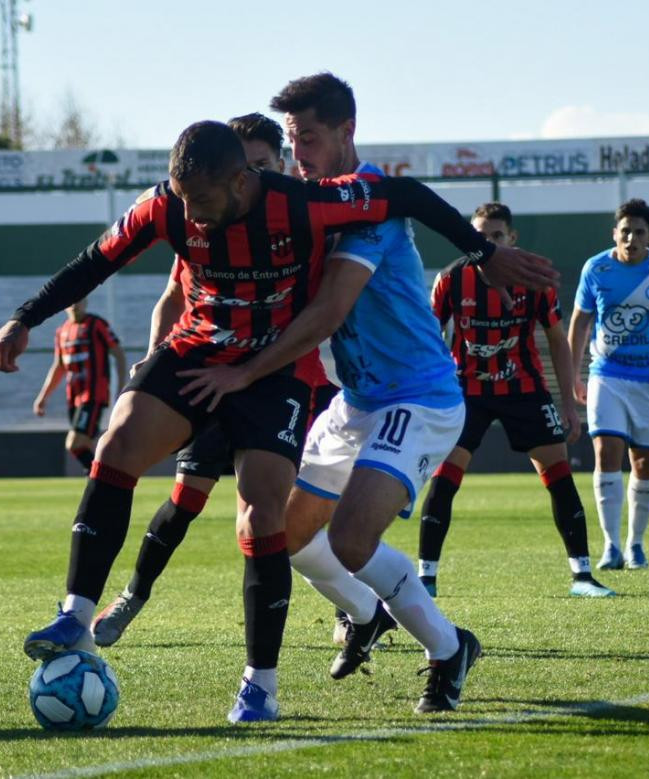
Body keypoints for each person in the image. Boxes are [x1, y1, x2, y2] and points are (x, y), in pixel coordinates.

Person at [0, 118, 555, 724]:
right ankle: (76, 615)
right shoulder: (165, 206)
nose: (193, 215)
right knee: (118, 440)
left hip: (271, 370)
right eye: (184, 199)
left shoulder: (300, 204)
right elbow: (93, 262)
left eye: (203, 201)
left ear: (240, 181)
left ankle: (260, 687)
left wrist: (486, 253)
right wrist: (25, 318)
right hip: (201, 351)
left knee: (264, 512)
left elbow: (406, 196)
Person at [178, 73, 557, 714]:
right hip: (358, 400)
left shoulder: (367, 211)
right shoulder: (309, 201)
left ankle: (447, 649)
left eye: (311, 139)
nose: (301, 156)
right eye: (292, 143)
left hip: (420, 396)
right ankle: (363, 612)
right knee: (282, 532)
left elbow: (327, 314)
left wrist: (243, 375)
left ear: (347, 131)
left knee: (352, 538)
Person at [92, 113, 337, 647]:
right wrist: (155, 359)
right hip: (211, 376)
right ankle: (132, 594)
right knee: (186, 498)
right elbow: (175, 297)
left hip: (295, 383)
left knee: (290, 514)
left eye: (261, 165)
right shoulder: (206, 222)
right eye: (244, 164)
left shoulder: (304, 217)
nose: (251, 175)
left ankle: (351, 607)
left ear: (279, 166)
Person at [417, 202, 614, 599]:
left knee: (559, 477)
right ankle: (427, 579)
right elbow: (425, 336)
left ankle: (583, 577)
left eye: (496, 236)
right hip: (465, 392)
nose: (487, 243)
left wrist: (568, 402)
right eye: (480, 236)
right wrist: (429, 394)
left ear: (512, 238)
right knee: (444, 482)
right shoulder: (451, 279)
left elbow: (557, 339)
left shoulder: (534, 279)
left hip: (523, 389)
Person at [566, 199, 649, 571]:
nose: (631, 237)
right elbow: (579, 323)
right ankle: (609, 546)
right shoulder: (596, 268)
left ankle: (635, 544)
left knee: (644, 462)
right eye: (625, 230)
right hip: (606, 375)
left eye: (639, 232)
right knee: (606, 452)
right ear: (615, 233)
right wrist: (575, 375)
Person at [32, 298, 126, 472]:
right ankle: (99, 480)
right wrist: (43, 397)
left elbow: (118, 353)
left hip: (93, 396)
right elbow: (59, 366)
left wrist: (121, 387)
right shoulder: (62, 331)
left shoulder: (96, 324)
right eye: (71, 302)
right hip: (73, 397)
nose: (75, 305)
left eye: (79, 301)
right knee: (87, 445)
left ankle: (101, 477)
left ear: (86, 303)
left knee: (74, 443)